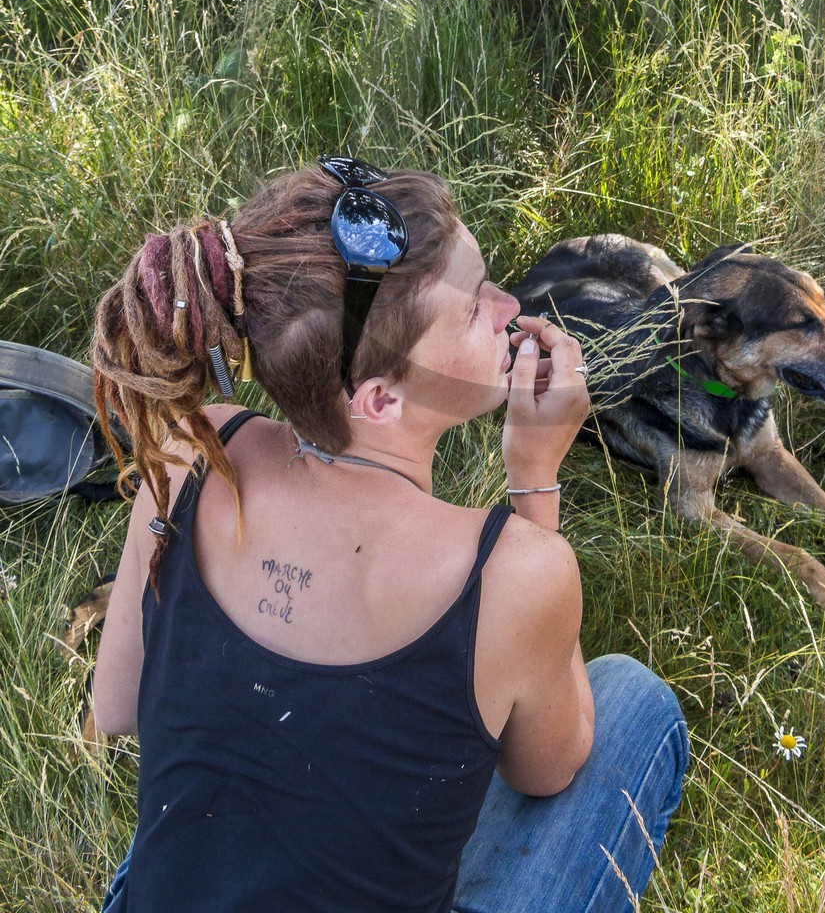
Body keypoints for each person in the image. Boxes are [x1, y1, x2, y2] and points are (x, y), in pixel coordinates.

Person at [91, 160, 689, 913]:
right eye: (475, 305)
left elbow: (116, 706)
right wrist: (534, 479)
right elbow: (548, 770)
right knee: (633, 700)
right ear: (377, 400)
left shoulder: (193, 452)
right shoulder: (512, 571)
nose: (510, 306)